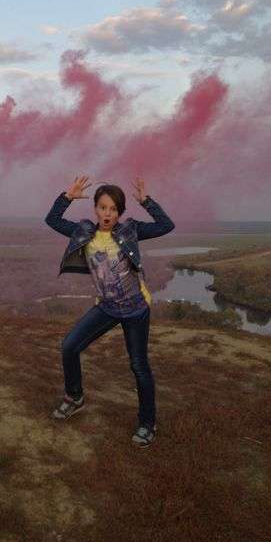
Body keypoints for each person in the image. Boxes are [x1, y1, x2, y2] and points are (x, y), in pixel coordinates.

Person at [44, 175, 175, 447]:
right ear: (95, 208)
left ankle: (147, 423)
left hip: (136, 309)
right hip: (106, 307)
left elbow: (166, 225)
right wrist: (66, 197)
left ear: (120, 212)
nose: (108, 213)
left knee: (139, 366)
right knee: (69, 346)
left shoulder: (130, 230)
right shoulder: (84, 232)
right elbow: (52, 220)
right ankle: (75, 397)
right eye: (103, 207)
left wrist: (146, 202)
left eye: (114, 209)